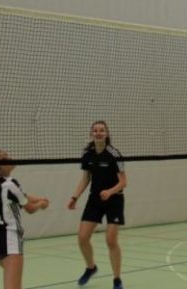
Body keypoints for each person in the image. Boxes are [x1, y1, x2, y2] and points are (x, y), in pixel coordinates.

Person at [67, 121, 127, 288]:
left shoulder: (114, 154)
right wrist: (74, 197)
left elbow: (123, 182)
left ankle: (117, 279)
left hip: (114, 200)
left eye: (101, 130)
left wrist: (110, 192)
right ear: (91, 133)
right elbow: (86, 178)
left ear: (106, 134)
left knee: (111, 241)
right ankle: (91, 267)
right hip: (95, 200)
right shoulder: (87, 153)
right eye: (95, 130)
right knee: (82, 238)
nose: (98, 133)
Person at [0, 149, 50, 289]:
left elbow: (20, 196)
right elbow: (30, 209)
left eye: (6, 155)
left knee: (15, 283)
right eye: (3, 159)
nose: (9, 158)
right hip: (9, 238)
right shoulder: (11, 184)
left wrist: (39, 198)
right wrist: (41, 204)